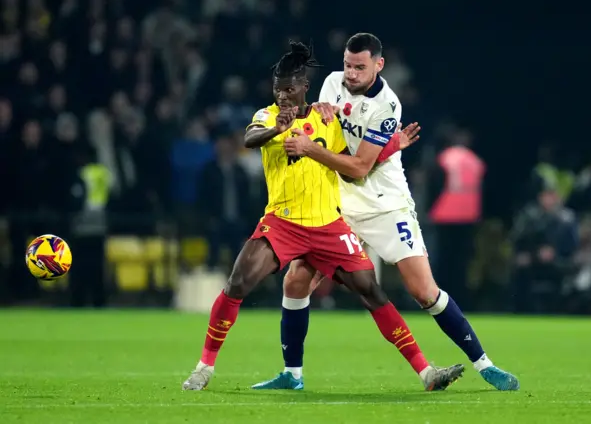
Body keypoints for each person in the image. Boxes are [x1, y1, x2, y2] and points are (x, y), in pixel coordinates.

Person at [182, 41, 464, 391]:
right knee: (238, 283)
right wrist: (277, 128)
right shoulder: (266, 117)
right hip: (283, 222)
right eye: (277, 90)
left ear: (304, 89)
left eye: (289, 89)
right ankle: (204, 367)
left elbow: (352, 170)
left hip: (329, 226)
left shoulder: (327, 120)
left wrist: (390, 146)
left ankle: (426, 373)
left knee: (372, 293)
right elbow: (250, 138)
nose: (283, 96)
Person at [253, 33, 519, 391]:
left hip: (385, 205)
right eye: (347, 64)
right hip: (340, 205)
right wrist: (315, 112)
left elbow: (360, 167)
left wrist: (313, 150)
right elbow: (320, 128)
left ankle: (485, 365)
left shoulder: (387, 106)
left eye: (359, 67)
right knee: (296, 280)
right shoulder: (332, 83)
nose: (350, 73)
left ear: (379, 65)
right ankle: (292, 374)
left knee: (424, 291)